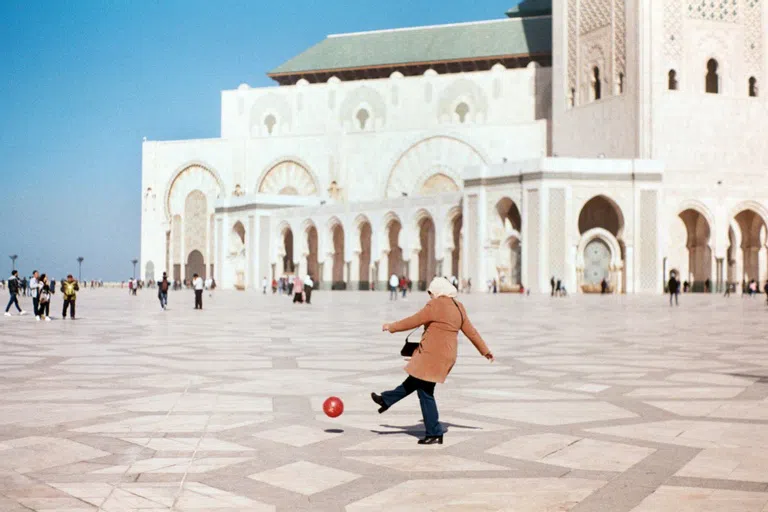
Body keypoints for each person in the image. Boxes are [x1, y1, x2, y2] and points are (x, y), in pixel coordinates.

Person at [372, 277, 494, 445]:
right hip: (447, 356)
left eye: (431, 293)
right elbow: (471, 332)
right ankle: (386, 400)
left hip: (431, 354)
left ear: (438, 291)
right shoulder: (459, 307)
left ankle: (434, 432)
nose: (430, 296)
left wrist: (391, 327)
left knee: (425, 392)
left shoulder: (435, 305)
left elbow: (413, 320)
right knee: (415, 381)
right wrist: (485, 350)